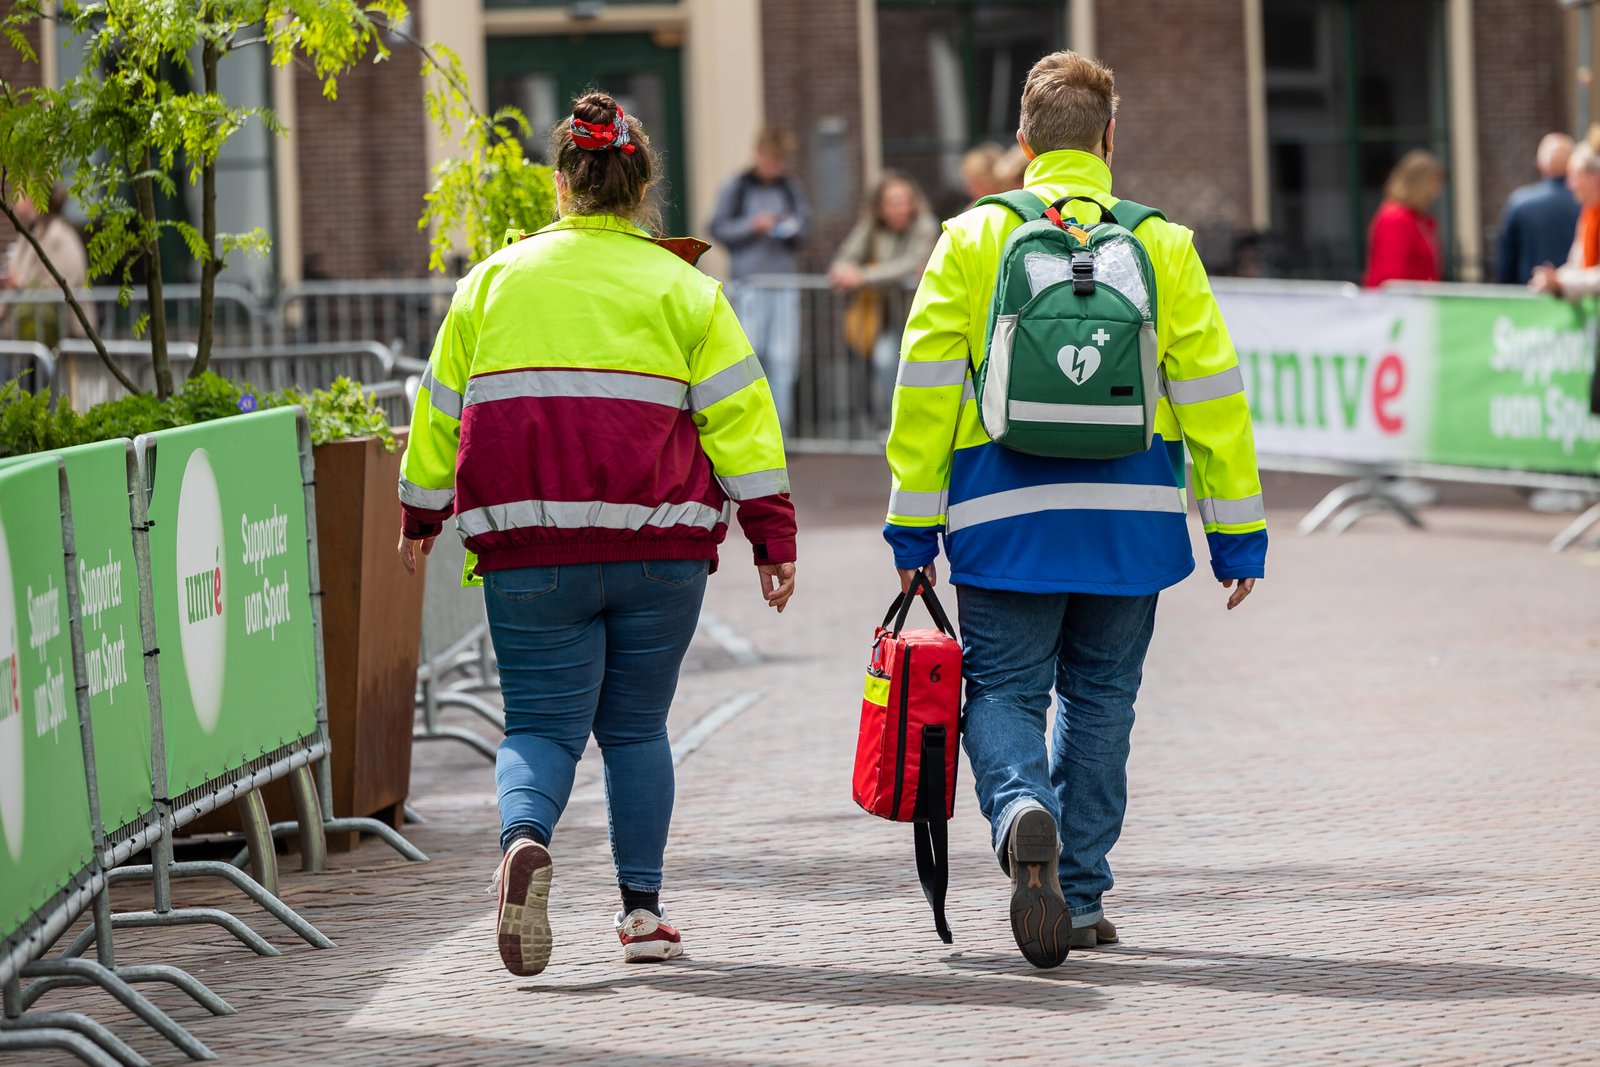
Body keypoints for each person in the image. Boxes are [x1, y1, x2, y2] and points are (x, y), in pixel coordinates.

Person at [396, 91, 799, 978]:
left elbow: (437, 413)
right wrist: (772, 535)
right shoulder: (686, 288)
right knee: (637, 729)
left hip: (531, 553)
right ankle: (643, 912)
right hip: (661, 553)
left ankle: (524, 840)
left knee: (539, 726)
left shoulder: (492, 282)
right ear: (643, 183)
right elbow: (742, 419)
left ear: (560, 182)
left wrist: (421, 513)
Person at [884, 50, 1266, 968]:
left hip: (1001, 514)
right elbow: (1214, 394)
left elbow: (926, 387)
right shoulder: (1163, 244)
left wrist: (912, 521)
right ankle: (1084, 894)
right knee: (1102, 700)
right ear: (1109, 138)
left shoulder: (972, 238)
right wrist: (1236, 532)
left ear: (1022, 143)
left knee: (1005, 690)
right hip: (1131, 519)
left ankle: (1021, 810)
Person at [708, 127, 810, 435]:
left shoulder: (790, 189)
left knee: (783, 359)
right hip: (750, 284)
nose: (773, 166)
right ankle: (753, 428)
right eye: (769, 159)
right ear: (758, 155)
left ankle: (781, 430)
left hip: (783, 284)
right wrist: (752, 226)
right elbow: (718, 228)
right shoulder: (736, 187)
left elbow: (806, 228)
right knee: (752, 354)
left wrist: (789, 228)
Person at [828, 171, 938, 427]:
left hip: (921, 314)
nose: (902, 208)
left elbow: (911, 264)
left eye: (905, 201)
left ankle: (920, 424)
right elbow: (846, 255)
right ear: (880, 208)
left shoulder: (925, 225)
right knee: (886, 360)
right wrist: (842, 270)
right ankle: (895, 424)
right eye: (894, 203)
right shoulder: (871, 228)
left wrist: (863, 275)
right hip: (886, 316)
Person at [1, 185, 88, 346]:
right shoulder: (29, 234)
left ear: (34, 198)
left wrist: (19, 284)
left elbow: (59, 285)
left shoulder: (58, 234)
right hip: (27, 333)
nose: (14, 201)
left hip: (56, 335)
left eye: (19, 194)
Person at [1495, 133, 1580, 286]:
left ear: (1540, 164)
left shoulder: (1519, 203)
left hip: (1530, 299)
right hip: (1580, 300)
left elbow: (1507, 262)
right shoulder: (1585, 203)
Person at [1362, 149, 1445, 287]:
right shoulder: (1397, 219)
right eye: (1434, 184)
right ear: (1420, 184)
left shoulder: (1418, 219)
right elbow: (1391, 274)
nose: (1437, 192)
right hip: (1401, 304)